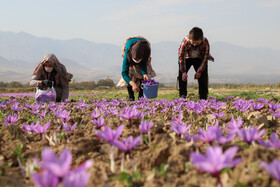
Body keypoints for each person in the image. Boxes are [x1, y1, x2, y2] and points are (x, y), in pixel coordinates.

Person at [178, 27, 214, 100]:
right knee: (182, 76)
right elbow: (181, 57)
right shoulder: (184, 42)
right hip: (187, 58)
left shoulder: (205, 42)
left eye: (197, 43)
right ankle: (182, 95)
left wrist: (199, 71)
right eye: (193, 43)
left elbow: (205, 58)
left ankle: (203, 96)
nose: (194, 45)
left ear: (201, 39)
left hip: (199, 58)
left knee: (203, 76)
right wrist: (184, 72)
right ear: (190, 39)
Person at [116, 36, 156, 101]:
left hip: (143, 50)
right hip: (130, 49)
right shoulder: (128, 54)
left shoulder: (146, 51)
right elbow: (124, 73)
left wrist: (145, 74)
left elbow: (143, 65)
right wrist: (132, 84)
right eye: (135, 59)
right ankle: (131, 97)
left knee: (142, 76)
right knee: (130, 73)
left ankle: (141, 97)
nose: (137, 62)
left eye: (139, 59)